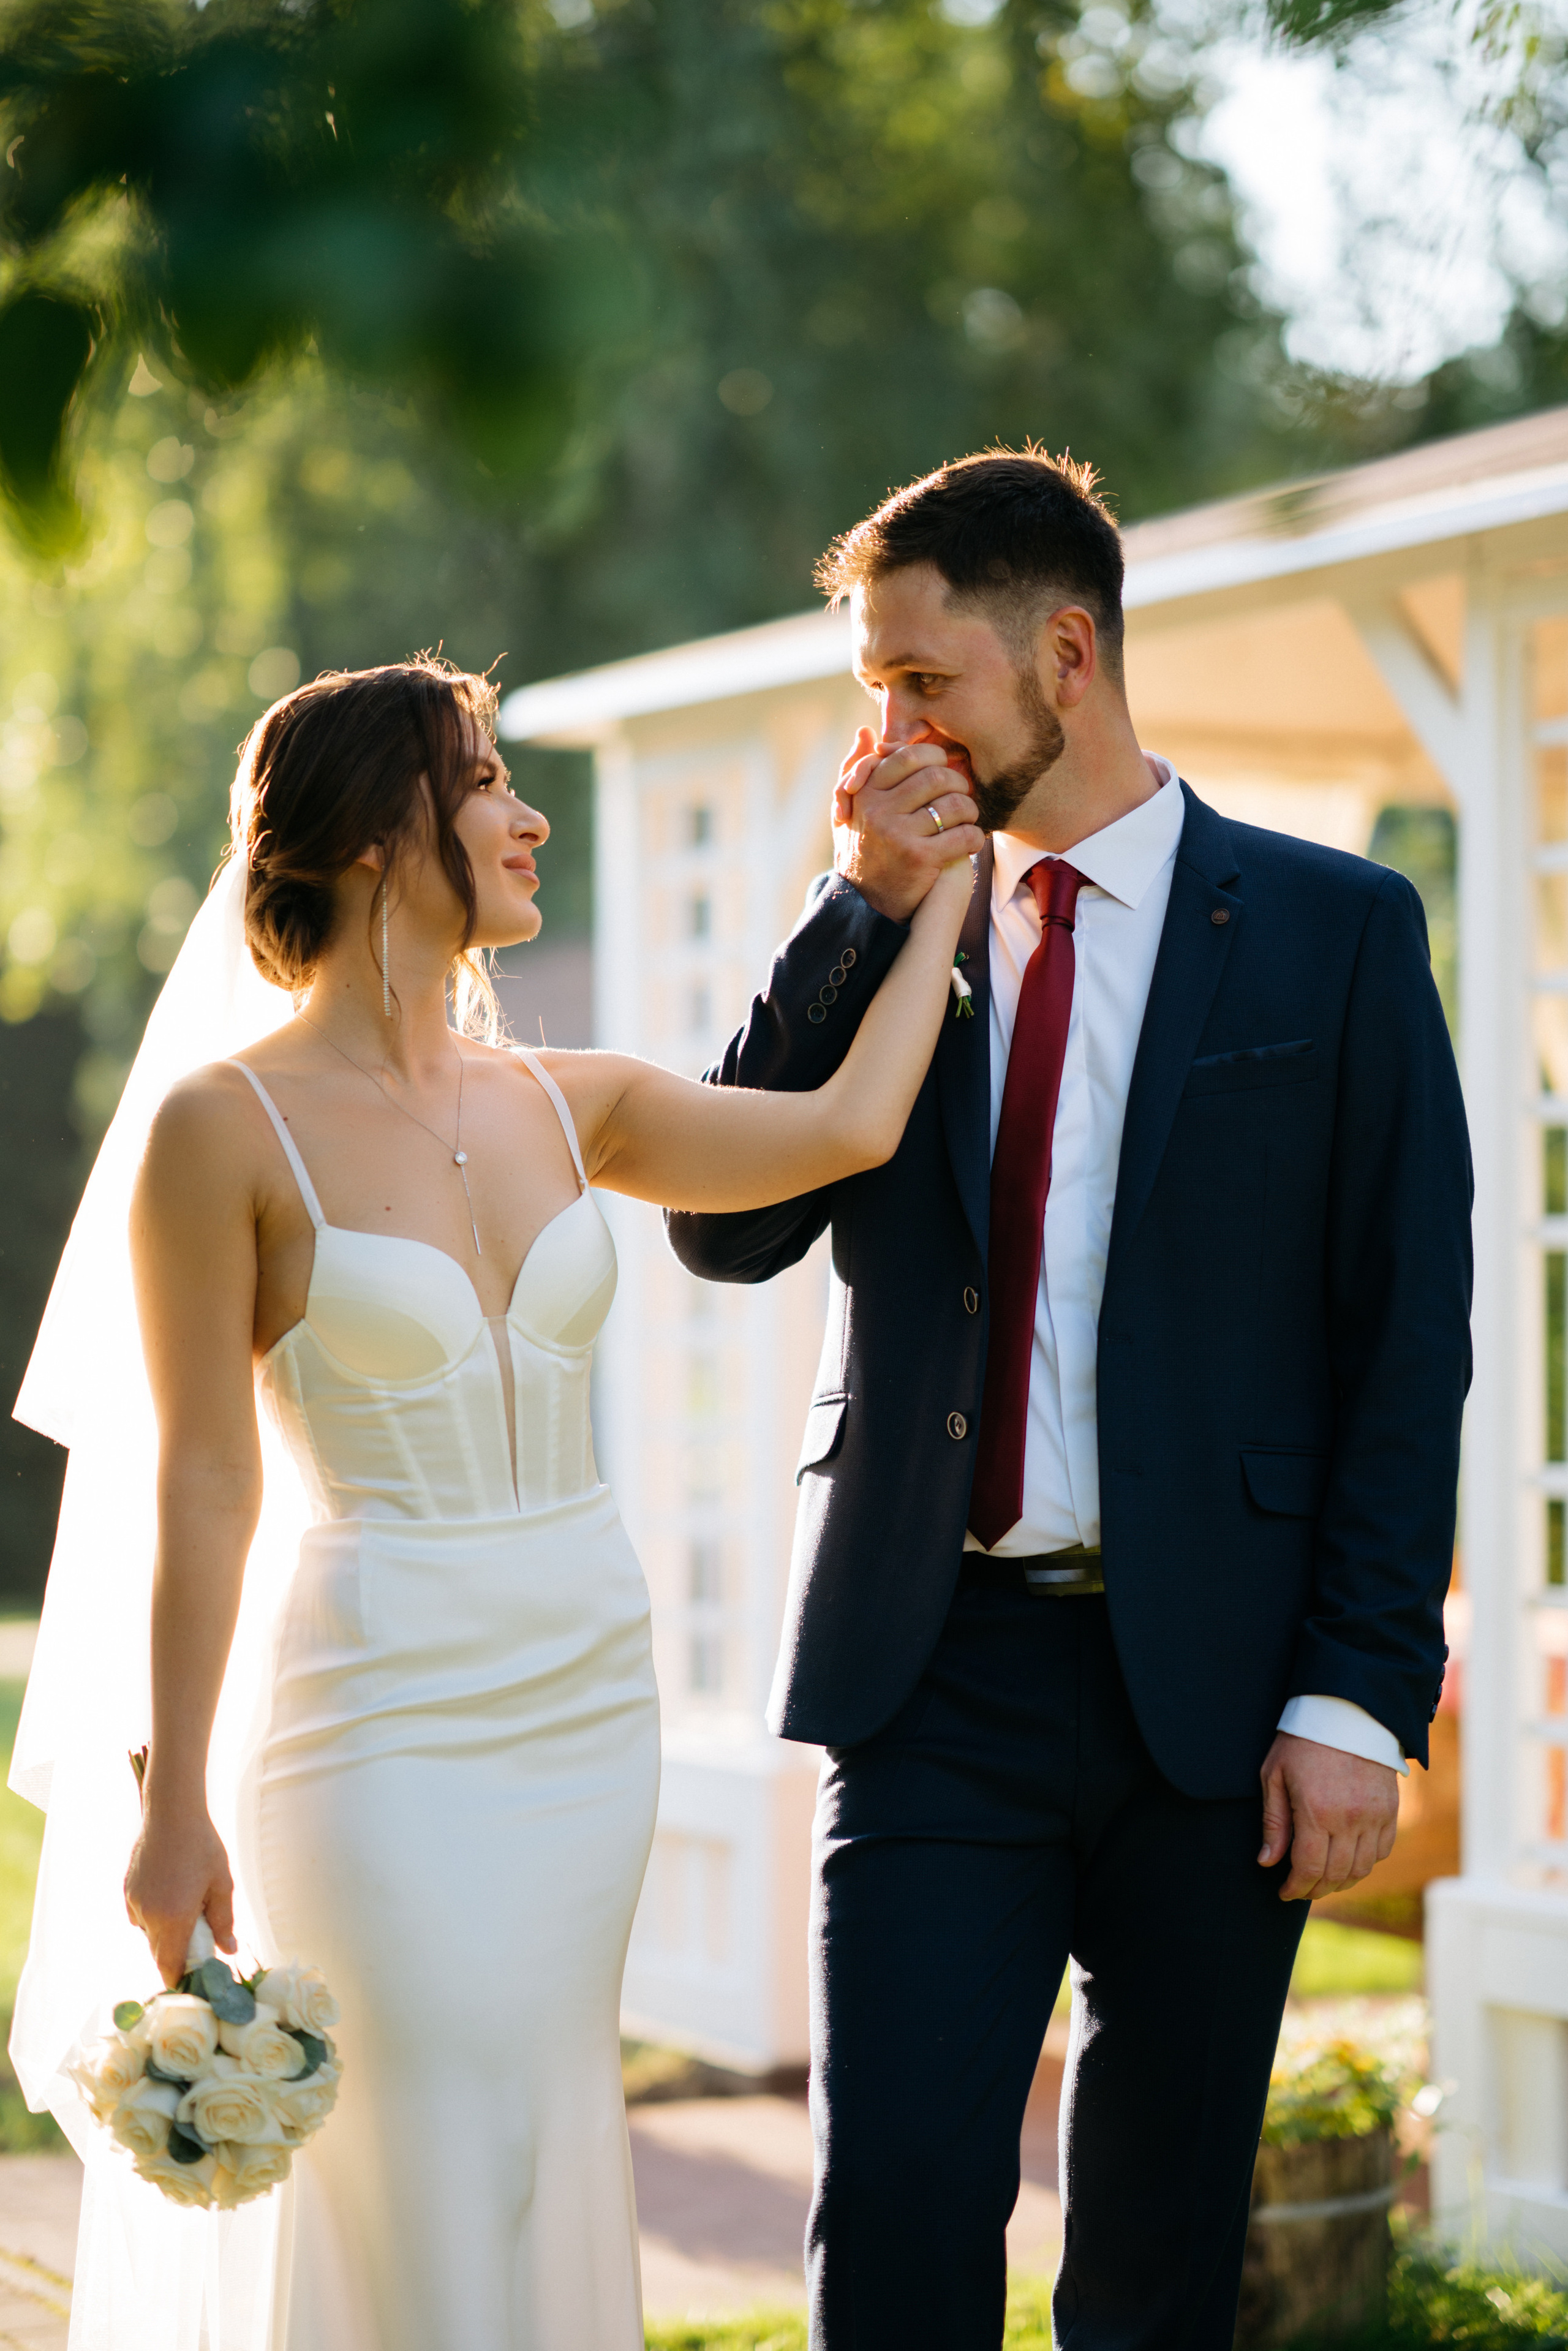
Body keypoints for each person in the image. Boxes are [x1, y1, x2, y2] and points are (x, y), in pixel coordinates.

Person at [8, 657, 970, 2351]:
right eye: (485, 782)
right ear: (383, 830)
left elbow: (847, 1125)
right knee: (423, 2153)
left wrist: (937, 883)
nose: (528, 818)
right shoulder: (218, 1133)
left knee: (535, 2132)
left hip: (587, 1705)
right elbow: (205, 1487)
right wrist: (169, 1811)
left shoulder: (566, 1100)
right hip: (372, 1723)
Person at [666, 451, 1473, 2350]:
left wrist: (1356, 1692)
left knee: (1157, 2261)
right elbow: (730, 1236)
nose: (892, 730)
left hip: (1221, 1686)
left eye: (924, 682)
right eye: (871, 684)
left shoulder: (1331, 935)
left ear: (1069, 652)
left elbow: (1404, 1339)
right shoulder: (891, 922)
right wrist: (859, 905)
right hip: (932, 1669)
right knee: (898, 2228)